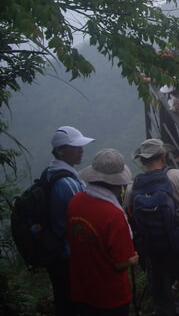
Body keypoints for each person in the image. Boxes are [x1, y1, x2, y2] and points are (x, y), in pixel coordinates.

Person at [127, 138, 179, 315]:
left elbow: (130, 213)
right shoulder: (177, 176)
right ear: (164, 157)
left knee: (161, 292)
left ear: (142, 160)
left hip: (153, 244)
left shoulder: (134, 186)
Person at [67, 149, 138, 316]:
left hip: (82, 288)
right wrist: (134, 259)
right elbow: (120, 262)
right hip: (110, 294)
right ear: (117, 183)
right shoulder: (113, 215)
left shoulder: (75, 202)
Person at [47, 125, 95, 316]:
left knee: (64, 300)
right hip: (71, 256)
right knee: (77, 304)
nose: (81, 151)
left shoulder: (51, 173)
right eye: (75, 147)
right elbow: (84, 218)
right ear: (60, 150)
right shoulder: (67, 184)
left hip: (59, 253)